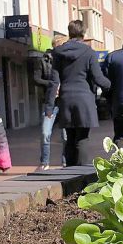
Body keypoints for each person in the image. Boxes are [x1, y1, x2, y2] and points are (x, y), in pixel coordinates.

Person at [47, 20, 111, 166]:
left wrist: (49, 106)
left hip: (66, 99)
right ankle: (81, 174)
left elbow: (54, 81)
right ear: (84, 33)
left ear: (69, 32)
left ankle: (69, 172)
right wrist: (113, 85)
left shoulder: (58, 53)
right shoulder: (89, 52)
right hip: (84, 100)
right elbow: (98, 78)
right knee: (82, 138)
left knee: (69, 138)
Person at [33, 35, 67, 170]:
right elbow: (36, 79)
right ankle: (44, 162)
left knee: (66, 135)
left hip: (64, 101)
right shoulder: (44, 60)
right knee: (45, 132)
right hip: (49, 101)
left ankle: (65, 162)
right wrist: (53, 85)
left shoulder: (68, 61)